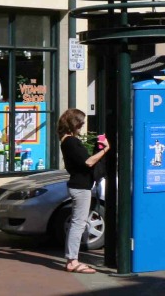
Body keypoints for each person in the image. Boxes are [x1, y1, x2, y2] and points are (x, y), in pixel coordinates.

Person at [57, 108, 109, 274]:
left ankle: (72, 259)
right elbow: (87, 162)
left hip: (78, 186)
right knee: (78, 224)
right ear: (74, 123)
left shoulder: (66, 141)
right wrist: (104, 150)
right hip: (80, 187)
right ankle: (72, 261)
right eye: (80, 123)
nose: (82, 126)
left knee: (77, 223)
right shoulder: (71, 141)